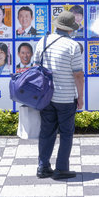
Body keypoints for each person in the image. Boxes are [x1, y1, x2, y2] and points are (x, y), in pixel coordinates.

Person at [35, 10, 84, 180]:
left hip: (46, 96)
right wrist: (81, 96)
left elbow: (36, 68)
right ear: (70, 29)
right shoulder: (73, 46)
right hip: (65, 97)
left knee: (46, 131)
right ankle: (61, 168)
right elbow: (78, 74)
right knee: (66, 133)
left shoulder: (43, 41)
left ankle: (43, 167)